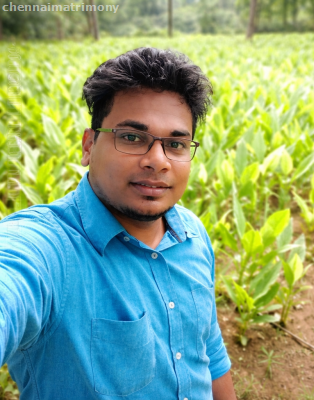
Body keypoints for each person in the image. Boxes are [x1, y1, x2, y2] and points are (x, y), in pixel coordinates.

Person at [0, 47, 236, 400]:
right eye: (131, 137)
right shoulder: (46, 249)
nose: (158, 161)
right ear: (88, 146)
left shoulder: (191, 234)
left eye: (176, 144)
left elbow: (209, 353)